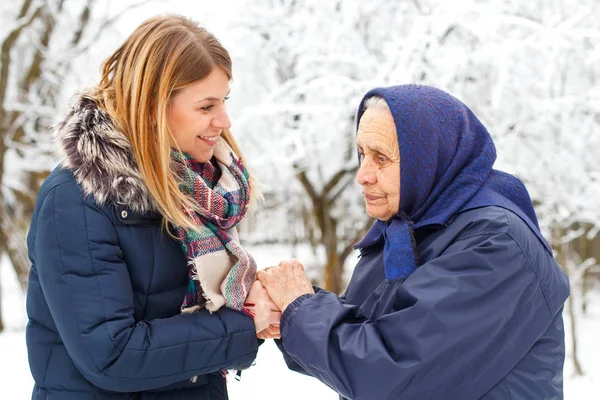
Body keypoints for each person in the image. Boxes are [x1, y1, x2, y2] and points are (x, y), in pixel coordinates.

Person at [257, 85, 570, 400]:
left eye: (381, 157)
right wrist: (288, 311)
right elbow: (367, 333)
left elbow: (388, 371)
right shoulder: (405, 231)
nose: (362, 175)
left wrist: (301, 308)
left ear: (429, 158)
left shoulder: (495, 244)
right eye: (362, 153)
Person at [25, 15, 279, 399]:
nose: (224, 121)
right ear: (154, 105)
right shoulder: (77, 200)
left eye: (224, 101)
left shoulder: (197, 191)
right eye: (206, 105)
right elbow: (111, 355)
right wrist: (243, 322)